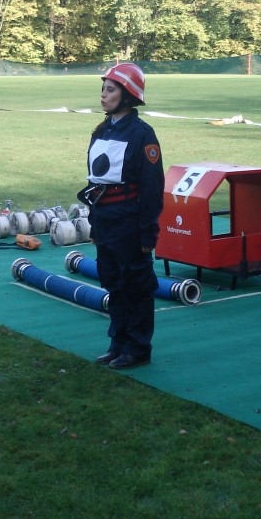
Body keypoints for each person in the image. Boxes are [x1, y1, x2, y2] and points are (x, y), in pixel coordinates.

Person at [79, 63, 164, 370]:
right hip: (105, 220)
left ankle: (138, 348)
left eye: (110, 90)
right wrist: (94, 223)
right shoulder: (102, 129)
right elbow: (96, 181)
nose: (103, 95)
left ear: (127, 95)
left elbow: (152, 188)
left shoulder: (142, 134)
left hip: (129, 222)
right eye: (103, 89)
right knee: (114, 283)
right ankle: (118, 343)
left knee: (135, 285)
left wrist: (147, 232)